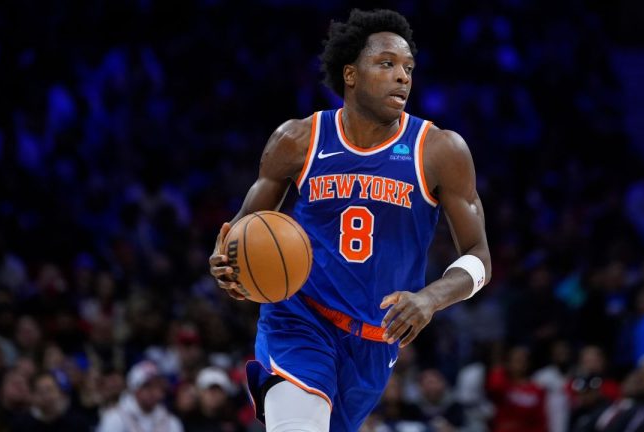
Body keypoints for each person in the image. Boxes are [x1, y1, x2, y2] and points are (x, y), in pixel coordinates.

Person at [208, 8, 491, 432]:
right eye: (387, 64)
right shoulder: (298, 139)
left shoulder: (439, 150)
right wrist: (226, 261)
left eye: (408, 67)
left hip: (374, 341)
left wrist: (430, 298)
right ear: (350, 74)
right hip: (299, 317)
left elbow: (480, 256)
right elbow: (243, 227)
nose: (402, 76)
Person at [97, 360, 183, 432]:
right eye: (147, 386)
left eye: (157, 386)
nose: (153, 391)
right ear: (134, 389)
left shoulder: (170, 421)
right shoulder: (115, 417)